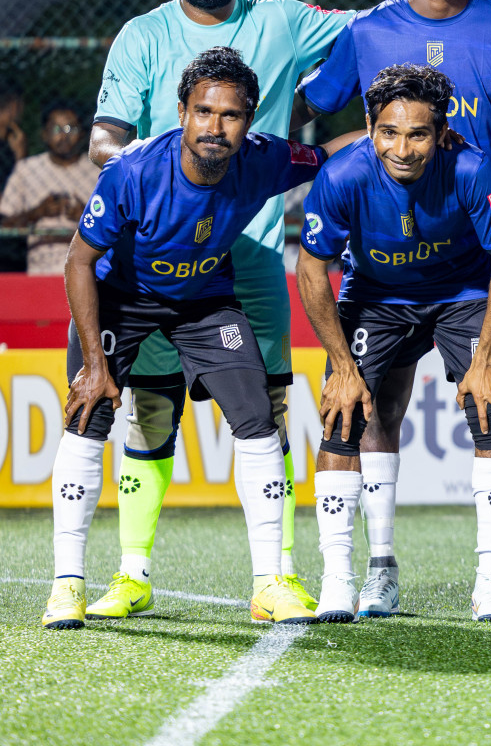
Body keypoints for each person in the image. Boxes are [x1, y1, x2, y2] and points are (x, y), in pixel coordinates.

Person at [83, 0, 491, 621]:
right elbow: (104, 137)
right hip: (150, 259)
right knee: (151, 411)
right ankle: (132, 571)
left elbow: (382, 20)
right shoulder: (141, 36)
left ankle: (278, 575)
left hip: (251, 254)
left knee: (274, 409)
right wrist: (131, 158)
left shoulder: (286, 19)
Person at [295, 0, 491, 618]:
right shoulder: (368, 30)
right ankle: (374, 568)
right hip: (381, 269)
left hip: (477, 258)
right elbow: (308, 107)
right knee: (366, 410)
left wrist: (488, 155)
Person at [42, 49, 339, 629]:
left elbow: (329, 153)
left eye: (231, 115)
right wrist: (97, 365)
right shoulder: (131, 172)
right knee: (88, 414)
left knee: (257, 414)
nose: (215, 126)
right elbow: (79, 262)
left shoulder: (264, 159)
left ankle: (269, 584)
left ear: (249, 122)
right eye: (203, 112)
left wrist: (386, 138)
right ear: (182, 112)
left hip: (205, 299)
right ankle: (67, 584)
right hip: (120, 297)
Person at [298, 65, 491, 623]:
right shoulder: (342, 175)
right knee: (345, 415)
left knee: (490, 408)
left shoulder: (476, 169)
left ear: (442, 130)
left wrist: (486, 358)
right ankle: (355, 577)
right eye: (389, 133)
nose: (402, 148)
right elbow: (311, 270)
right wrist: (341, 367)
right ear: (370, 128)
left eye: (418, 134)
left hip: (463, 291)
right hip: (375, 295)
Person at [1, 103, 100, 274]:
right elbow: (5, 225)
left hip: (89, 270)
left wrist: (85, 216)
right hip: (41, 269)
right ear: (44, 135)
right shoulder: (26, 169)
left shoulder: (97, 172)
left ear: (83, 134)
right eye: (56, 129)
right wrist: (38, 212)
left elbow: (117, 227)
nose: (63, 136)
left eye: (71, 129)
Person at [0, 90, 29, 271]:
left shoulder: (11, 144)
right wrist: (21, 156)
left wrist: (19, 154)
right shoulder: (11, 147)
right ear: (13, 106)